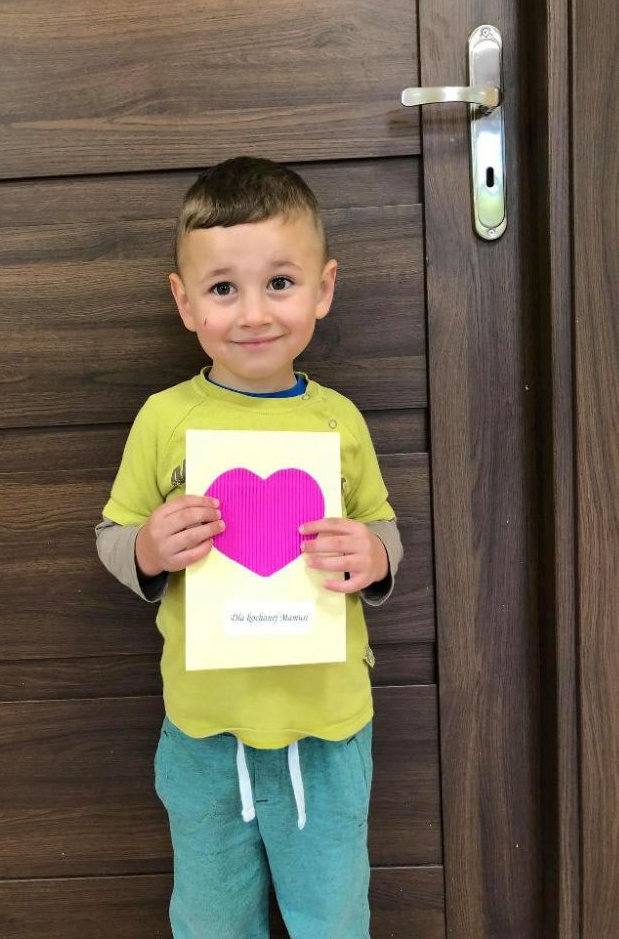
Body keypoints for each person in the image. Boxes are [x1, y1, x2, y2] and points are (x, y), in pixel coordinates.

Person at [95, 156, 403, 938]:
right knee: (211, 919)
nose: (254, 313)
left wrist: (373, 558)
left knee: (333, 916)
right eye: (224, 288)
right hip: (205, 731)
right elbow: (113, 534)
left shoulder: (339, 420)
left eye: (281, 283)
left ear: (323, 289)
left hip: (327, 728)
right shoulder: (164, 419)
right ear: (185, 301)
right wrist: (149, 549)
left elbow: (383, 526)